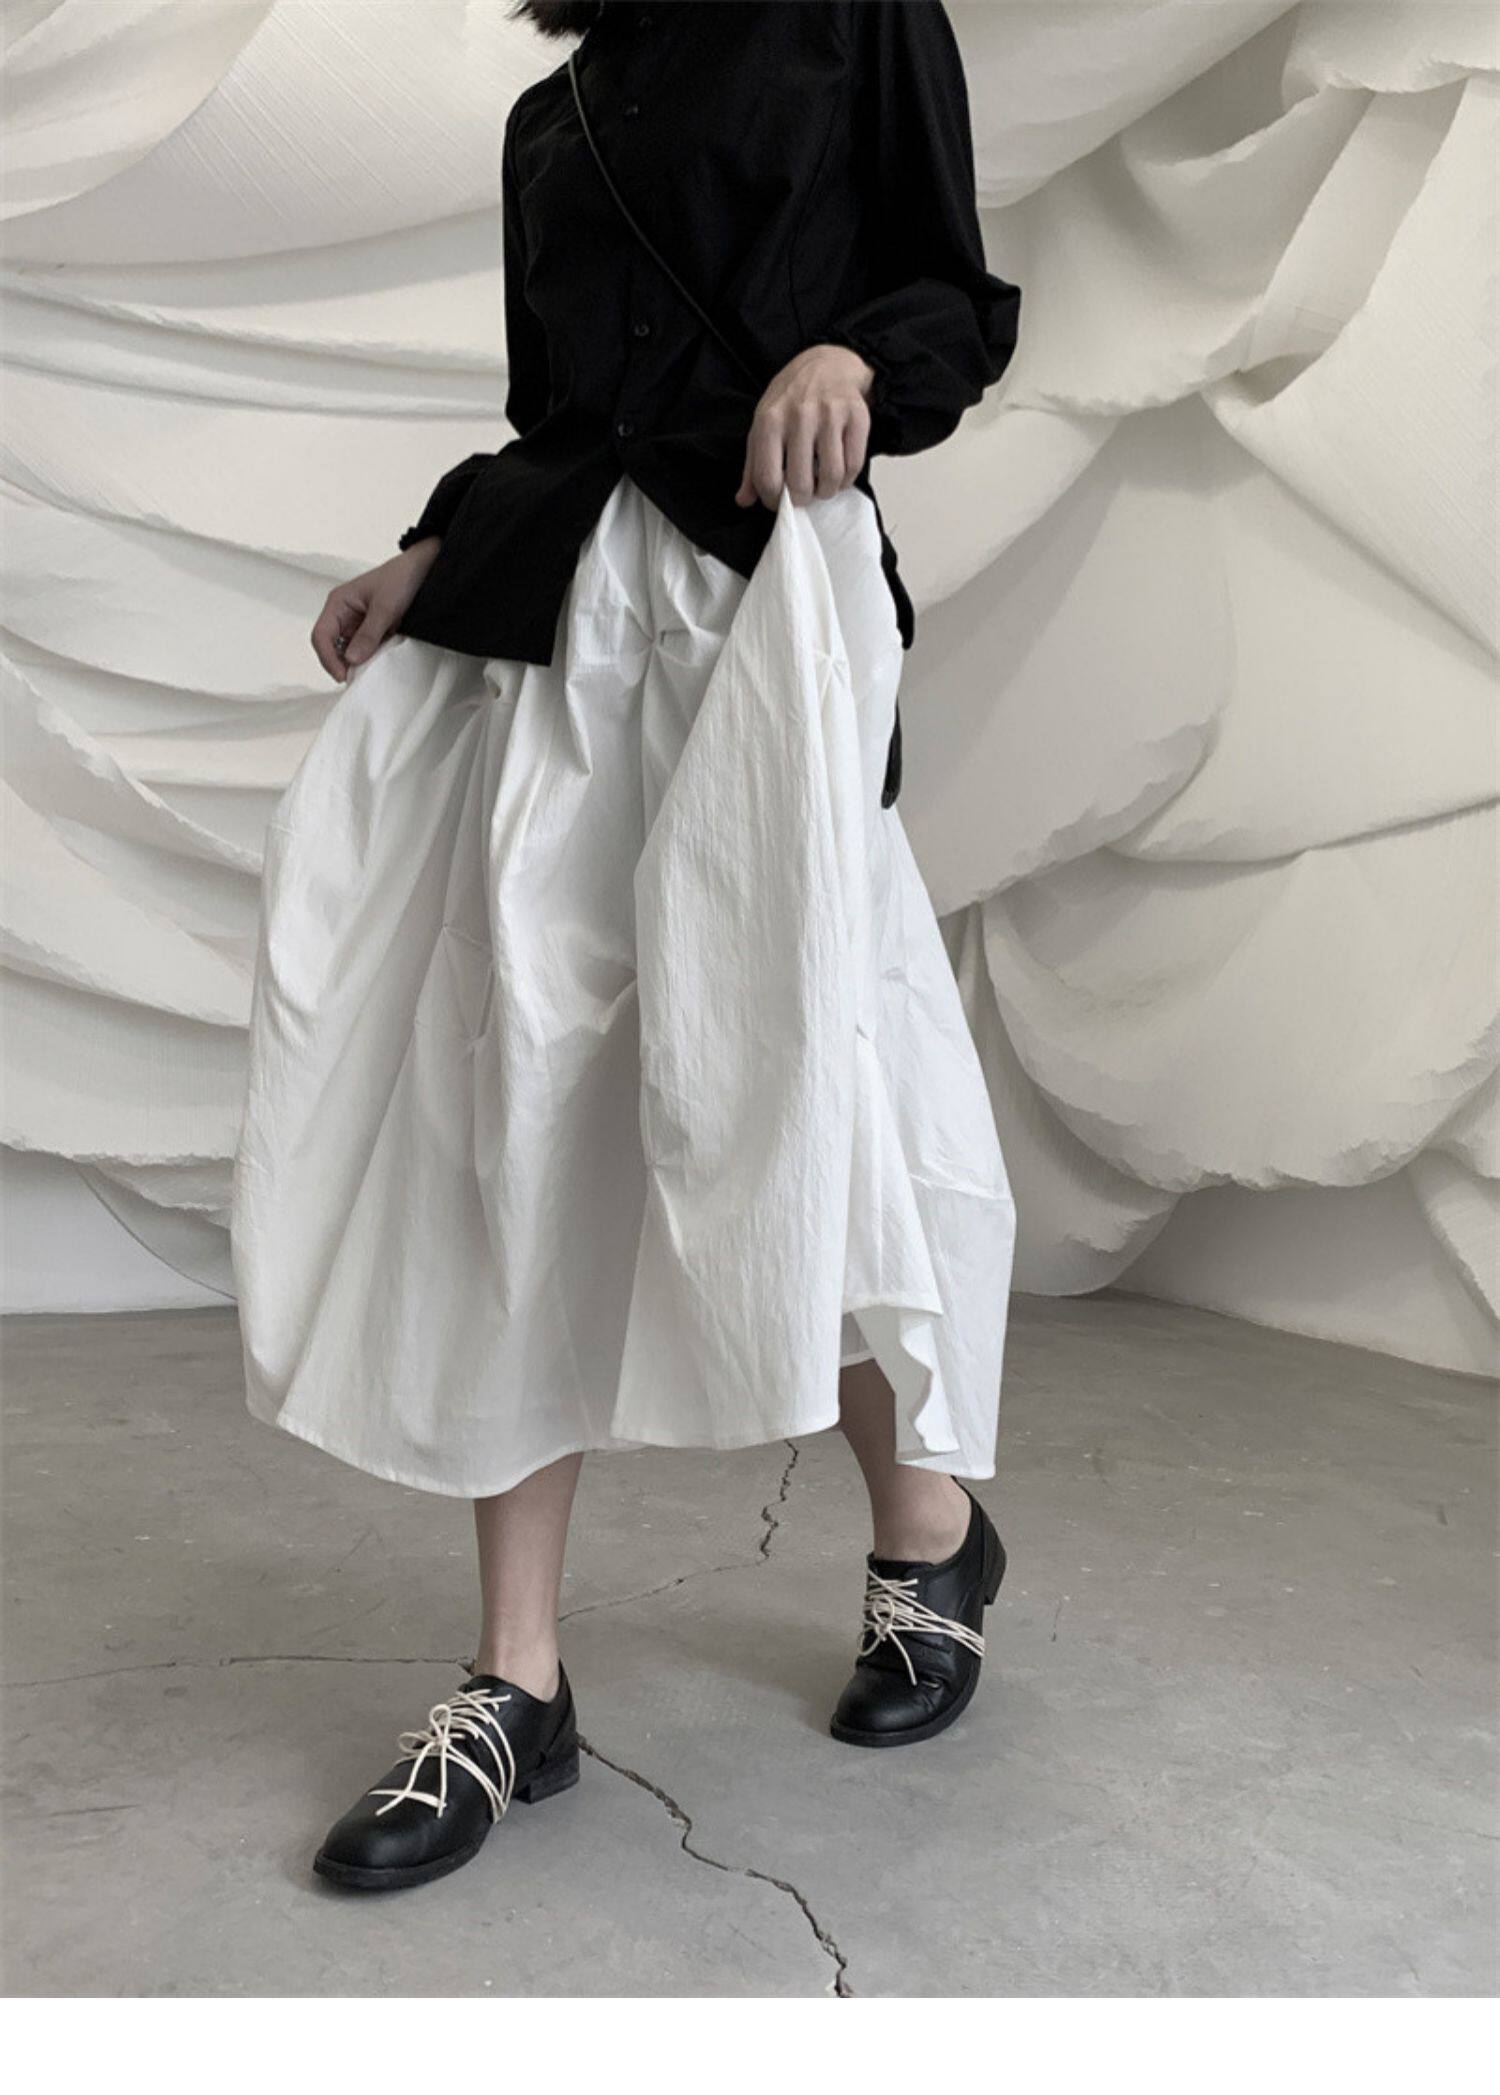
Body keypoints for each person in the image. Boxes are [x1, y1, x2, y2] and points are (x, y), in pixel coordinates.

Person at [230, 0, 1021, 1894]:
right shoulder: (553, 112)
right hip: (563, 638)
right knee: (516, 1098)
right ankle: (518, 1682)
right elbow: (560, 423)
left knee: (797, 1074)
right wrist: (437, 548)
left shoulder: (849, 14)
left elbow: (954, 297)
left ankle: (928, 1529)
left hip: (768, 609)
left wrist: (848, 351)